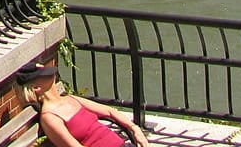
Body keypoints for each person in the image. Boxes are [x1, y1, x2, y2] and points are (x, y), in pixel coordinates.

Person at [15, 63, 149, 147]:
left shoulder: (71, 99)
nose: (49, 72)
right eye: (42, 74)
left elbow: (109, 111)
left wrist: (135, 129)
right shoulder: (50, 117)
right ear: (37, 87)